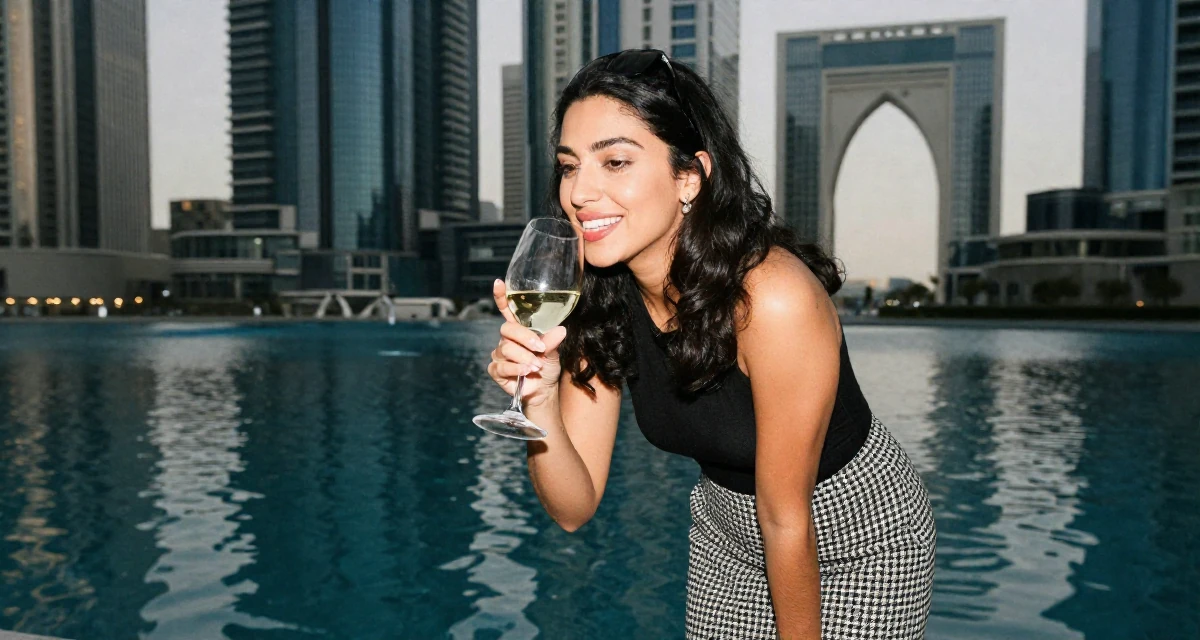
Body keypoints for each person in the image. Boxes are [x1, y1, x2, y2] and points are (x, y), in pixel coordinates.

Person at [486, 49, 936, 639]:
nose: (580, 192)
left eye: (615, 161)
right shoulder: (595, 298)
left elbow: (785, 517)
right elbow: (574, 509)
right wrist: (540, 404)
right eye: (569, 166)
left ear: (689, 177)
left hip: (859, 535)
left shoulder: (772, 299)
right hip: (726, 530)